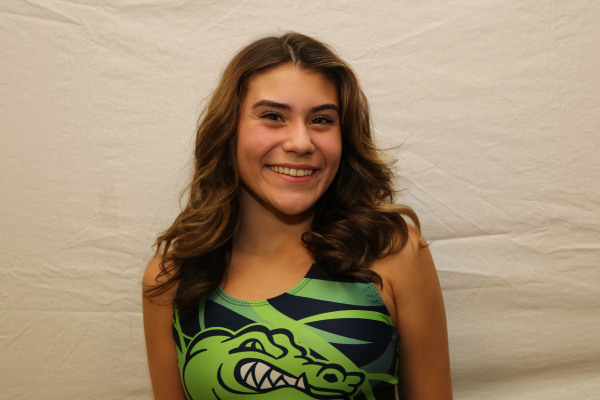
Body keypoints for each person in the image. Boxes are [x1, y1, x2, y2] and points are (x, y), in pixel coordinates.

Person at [143, 32, 452, 400]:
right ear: (229, 130)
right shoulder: (171, 279)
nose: (301, 143)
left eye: (321, 120)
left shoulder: (393, 253)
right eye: (273, 116)